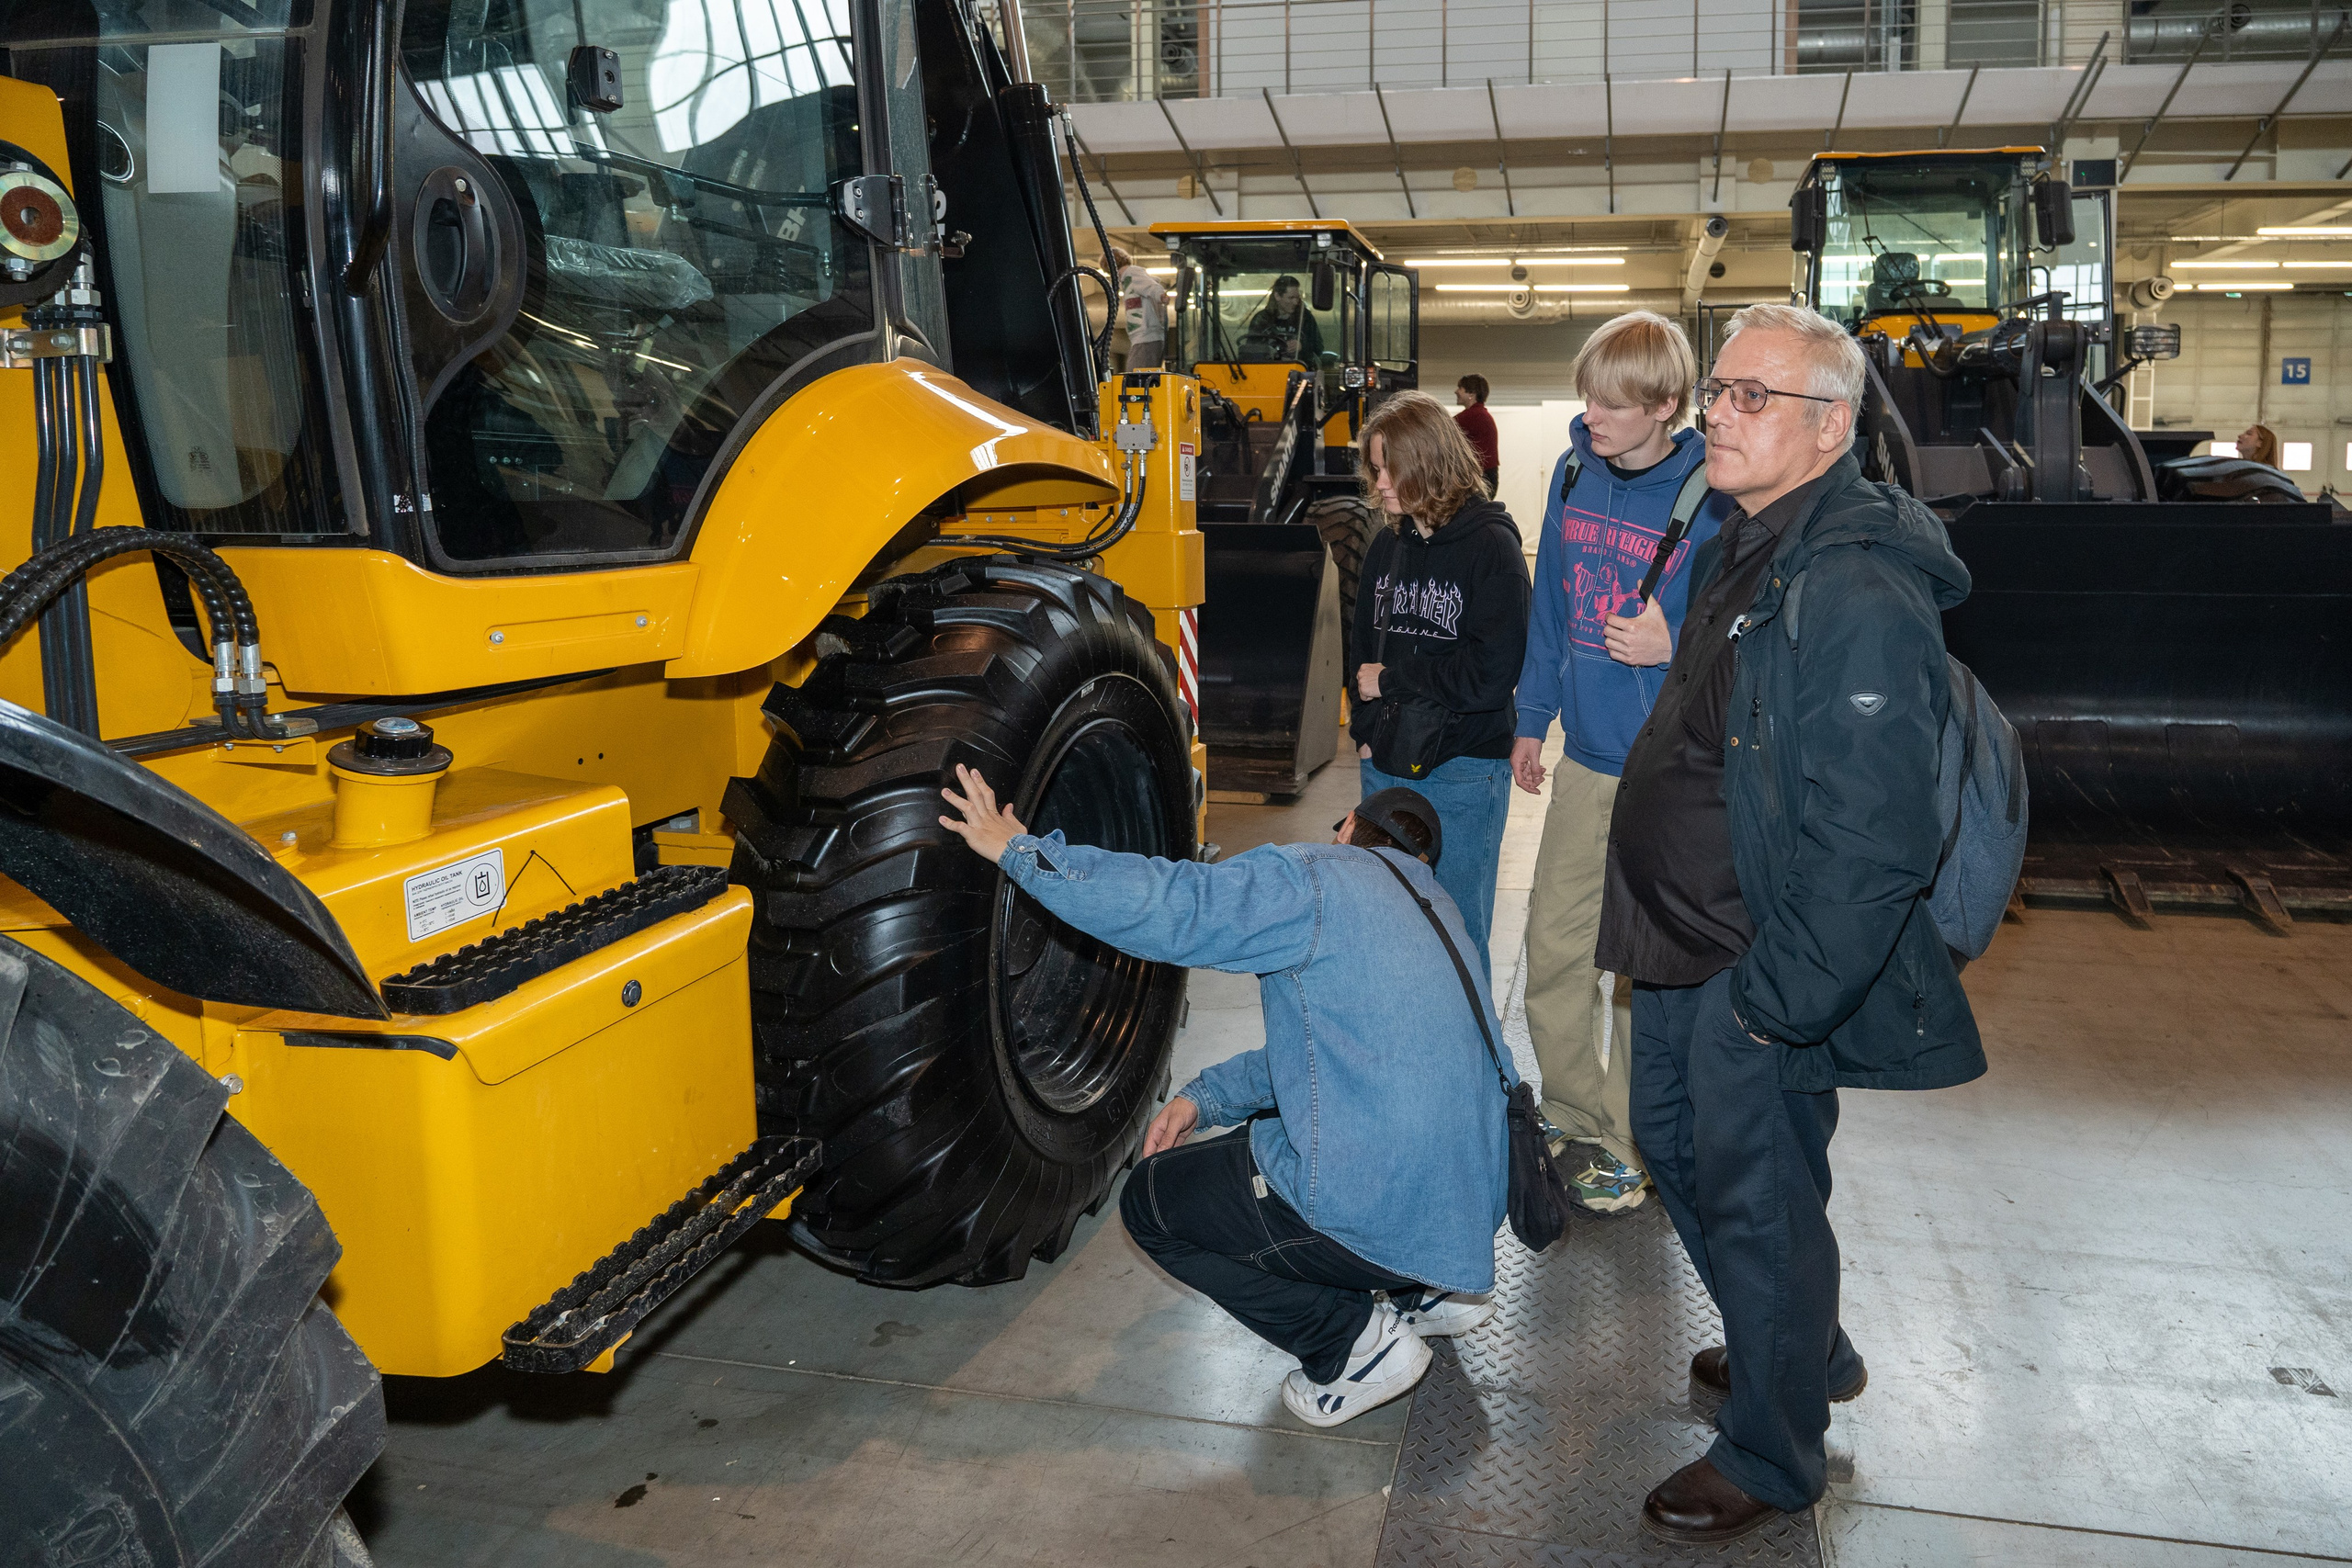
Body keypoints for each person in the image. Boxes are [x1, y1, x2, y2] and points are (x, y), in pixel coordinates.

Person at [1598, 301, 1986, 1544]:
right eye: (1718, 389)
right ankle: (1801, 1345)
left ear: (1828, 425)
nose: (1716, 409)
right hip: (1677, 934)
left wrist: (1783, 998)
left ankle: (1772, 1448)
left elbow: (1877, 836)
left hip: (1751, 959)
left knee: (1756, 1189)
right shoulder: (1743, 536)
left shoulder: (1857, 584)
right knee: (1679, 1144)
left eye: (1747, 395)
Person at [934, 769, 1511, 1429]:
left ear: (1348, 826)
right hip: (1470, 1206)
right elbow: (1342, 1055)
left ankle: (1350, 1344)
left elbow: (1178, 903)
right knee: (1271, 1135)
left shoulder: (1318, 877)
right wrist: (1206, 1098)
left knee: (1153, 1202)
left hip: (1384, 1199)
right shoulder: (1436, 906)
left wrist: (1025, 852)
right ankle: (1428, 1288)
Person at [1510, 310, 1732, 1214]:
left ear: (1667, 406)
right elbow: (1551, 613)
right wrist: (1533, 717)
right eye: (1587, 395)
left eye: (1612, 403)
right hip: (1589, 762)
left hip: (1674, 776)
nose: (1590, 414)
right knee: (1555, 951)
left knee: (1648, 973)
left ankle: (1639, 1136)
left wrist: (1670, 642)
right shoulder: (1570, 473)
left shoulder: (1717, 496)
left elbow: (1746, 640)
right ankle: (1577, 1123)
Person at [1348, 390, 1531, 978]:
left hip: (1464, 772)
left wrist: (1394, 682)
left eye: (1388, 468)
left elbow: (1491, 676)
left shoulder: (1491, 547)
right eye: (1374, 469)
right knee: (1385, 933)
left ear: (1426, 463)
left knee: (1456, 939)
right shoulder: (1385, 546)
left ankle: (1475, 1068)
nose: (1379, 484)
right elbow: (1361, 653)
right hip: (1386, 763)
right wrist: (1365, 731)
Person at [1243, 275, 1324, 362]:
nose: (1295, 302)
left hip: (1300, 372)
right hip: (1267, 371)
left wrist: (1301, 346)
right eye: (1291, 298)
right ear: (1277, 296)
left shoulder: (1305, 318)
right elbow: (1250, 352)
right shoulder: (1262, 320)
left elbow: (1319, 348)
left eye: (1297, 298)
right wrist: (1270, 350)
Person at [1110, 246, 1165, 371]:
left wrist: (1161, 295)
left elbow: (1151, 286)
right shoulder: (1127, 280)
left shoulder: (1131, 273)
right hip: (1143, 338)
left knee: (1134, 382)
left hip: (1146, 337)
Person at [1454, 375, 1500, 495]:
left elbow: (1441, 430)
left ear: (1471, 394)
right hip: (1486, 476)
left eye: (1460, 388)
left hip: (1480, 477)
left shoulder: (1473, 416)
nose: (1456, 391)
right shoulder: (1481, 415)